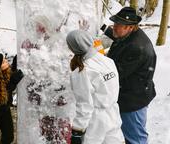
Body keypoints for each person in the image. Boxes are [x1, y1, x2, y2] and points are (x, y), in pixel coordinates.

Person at [100, 7, 157, 144]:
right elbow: (117, 34)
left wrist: (99, 60)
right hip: (129, 94)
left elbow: (116, 73)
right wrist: (102, 27)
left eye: (118, 25)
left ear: (130, 27)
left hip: (133, 100)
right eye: (115, 23)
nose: (114, 27)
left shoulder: (136, 47)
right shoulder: (129, 34)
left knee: (135, 137)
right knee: (126, 134)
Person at [66, 30, 124, 144]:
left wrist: (77, 131)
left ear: (72, 48)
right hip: (113, 114)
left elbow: (85, 105)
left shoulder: (82, 71)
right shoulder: (108, 61)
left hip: (96, 122)